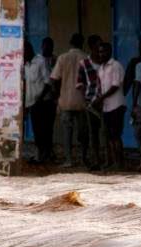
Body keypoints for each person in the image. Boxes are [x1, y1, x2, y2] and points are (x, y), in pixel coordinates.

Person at [50, 33, 88, 168]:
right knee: (83, 132)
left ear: (70, 43)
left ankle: (68, 159)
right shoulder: (86, 58)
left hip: (65, 100)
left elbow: (54, 78)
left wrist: (56, 95)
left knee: (67, 132)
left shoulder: (62, 58)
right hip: (82, 101)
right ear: (82, 43)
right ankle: (83, 158)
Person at [95, 42, 126, 171]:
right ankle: (113, 162)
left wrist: (101, 97)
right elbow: (100, 86)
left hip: (117, 105)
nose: (101, 54)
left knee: (116, 135)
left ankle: (120, 164)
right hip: (106, 107)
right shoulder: (100, 68)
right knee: (109, 137)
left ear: (110, 52)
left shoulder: (116, 66)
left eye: (103, 51)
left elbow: (115, 86)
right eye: (100, 52)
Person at [76, 34, 103, 171]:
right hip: (90, 103)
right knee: (88, 133)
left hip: (105, 102)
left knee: (103, 134)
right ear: (91, 47)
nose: (100, 49)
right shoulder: (84, 64)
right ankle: (88, 158)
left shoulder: (105, 63)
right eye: (98, 46)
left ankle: (100, 159)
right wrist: (84, 102)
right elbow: (80, 84)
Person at [24, 41, 53, 163]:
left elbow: (48, 83)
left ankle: (44, 156)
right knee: (37, 131)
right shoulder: (25, 64)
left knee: (44, 130)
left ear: (28, 50)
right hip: (31, 102)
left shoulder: (40, 61)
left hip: (43, 102)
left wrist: (40, 99)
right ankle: (39, 155)